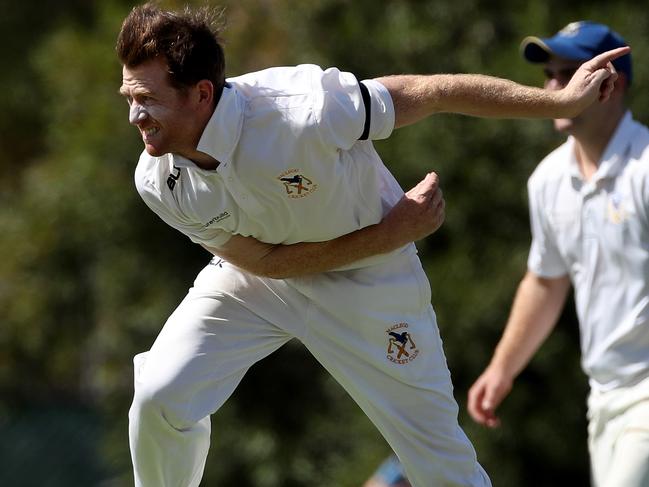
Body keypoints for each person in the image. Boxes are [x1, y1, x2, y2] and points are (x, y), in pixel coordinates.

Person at [116, 3, 627, 485]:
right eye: (130, 99)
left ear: (202, 94)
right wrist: (390, 231)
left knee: (439, 464)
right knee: (161, 396)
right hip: (260, 279)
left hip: (372, 286)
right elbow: (265, 262)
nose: (136, 116)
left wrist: (557, 102)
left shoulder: (306, 109)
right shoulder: (157, 180)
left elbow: (434, 91)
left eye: (147, 99)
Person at [467, 21, 648, 487]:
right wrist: (502, 368)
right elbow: (546, 281)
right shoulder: (547, 180)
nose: (550, 87)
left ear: (611, 85)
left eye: (566, 74)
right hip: (604, 397)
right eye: (548, 74)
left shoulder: (645, 168)